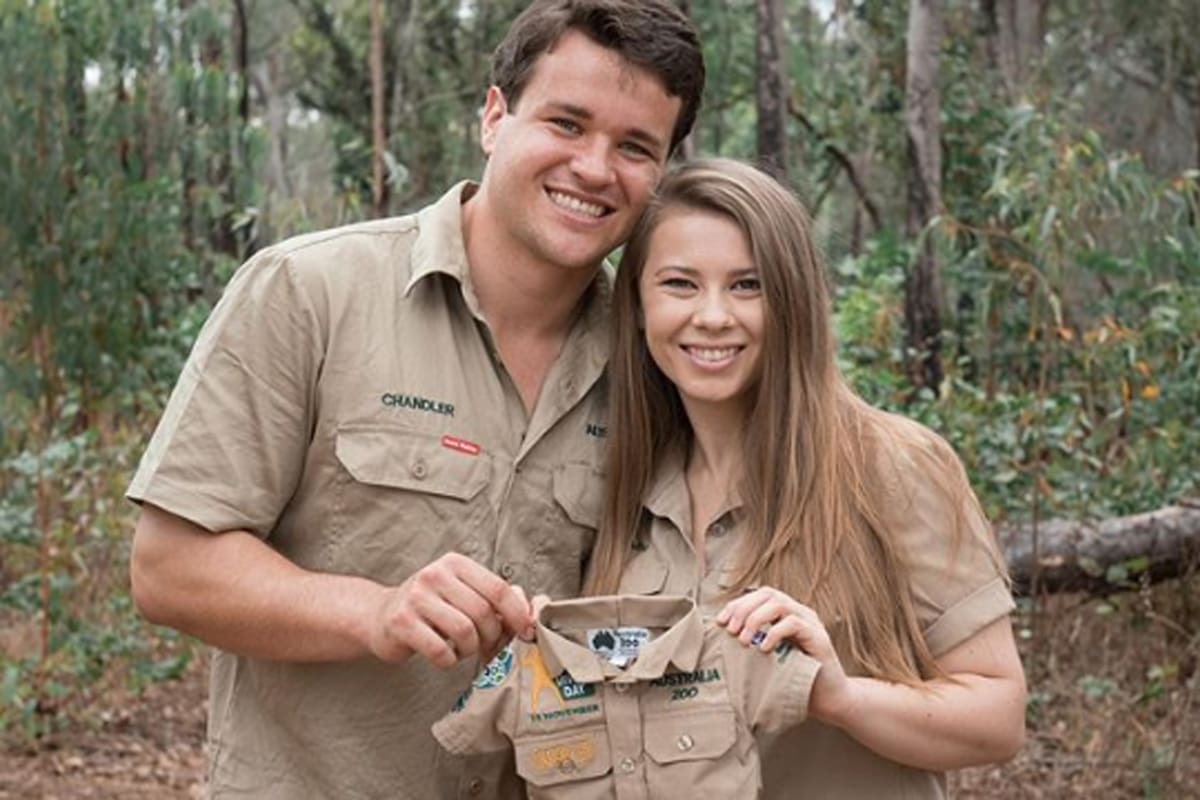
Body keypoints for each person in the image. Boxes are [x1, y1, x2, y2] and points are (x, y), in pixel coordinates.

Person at [125, 2, 704, 797]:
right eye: (567, 123)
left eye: (635, 146)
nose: (596, 168)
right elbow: (168, 569)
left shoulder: (659, 362)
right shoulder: (310, 293)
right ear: (495, 116)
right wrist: (375, 611)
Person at [587, 158, 1027, 798]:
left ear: (793, 301)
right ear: (635, 307)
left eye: (748, 286)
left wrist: (837, 696)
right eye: (680, 284)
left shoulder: (891, 465)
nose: (713, 316)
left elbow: (998, 719)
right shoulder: (627, 485)